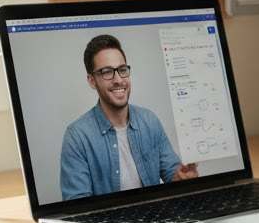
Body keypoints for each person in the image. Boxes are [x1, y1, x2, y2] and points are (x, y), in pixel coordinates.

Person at [60, 34, 198, 200]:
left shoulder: (150, 121)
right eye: (107, 72)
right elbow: (78, 206)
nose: (118, 80)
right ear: (92, 81)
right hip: (109, 222)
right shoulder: (77, 136)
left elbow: (171, 174)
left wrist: (182, 178)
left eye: (122, 70)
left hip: (156, 217)